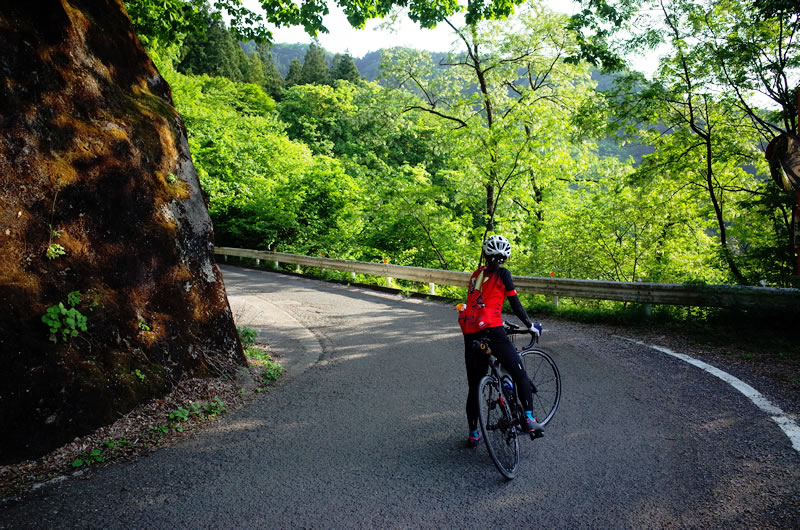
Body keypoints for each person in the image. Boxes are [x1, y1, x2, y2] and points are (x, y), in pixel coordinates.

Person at [458, 235, 544, 449]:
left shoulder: (476, 275)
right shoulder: (504, 274)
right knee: (520, 374)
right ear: (505, 257)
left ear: (486, 255)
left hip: (471, 333)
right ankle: (528, 419)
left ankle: (474, 433)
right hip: (493, 330)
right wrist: (529, 324)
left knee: (474, 386)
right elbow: (514, 303)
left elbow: (480, 303)